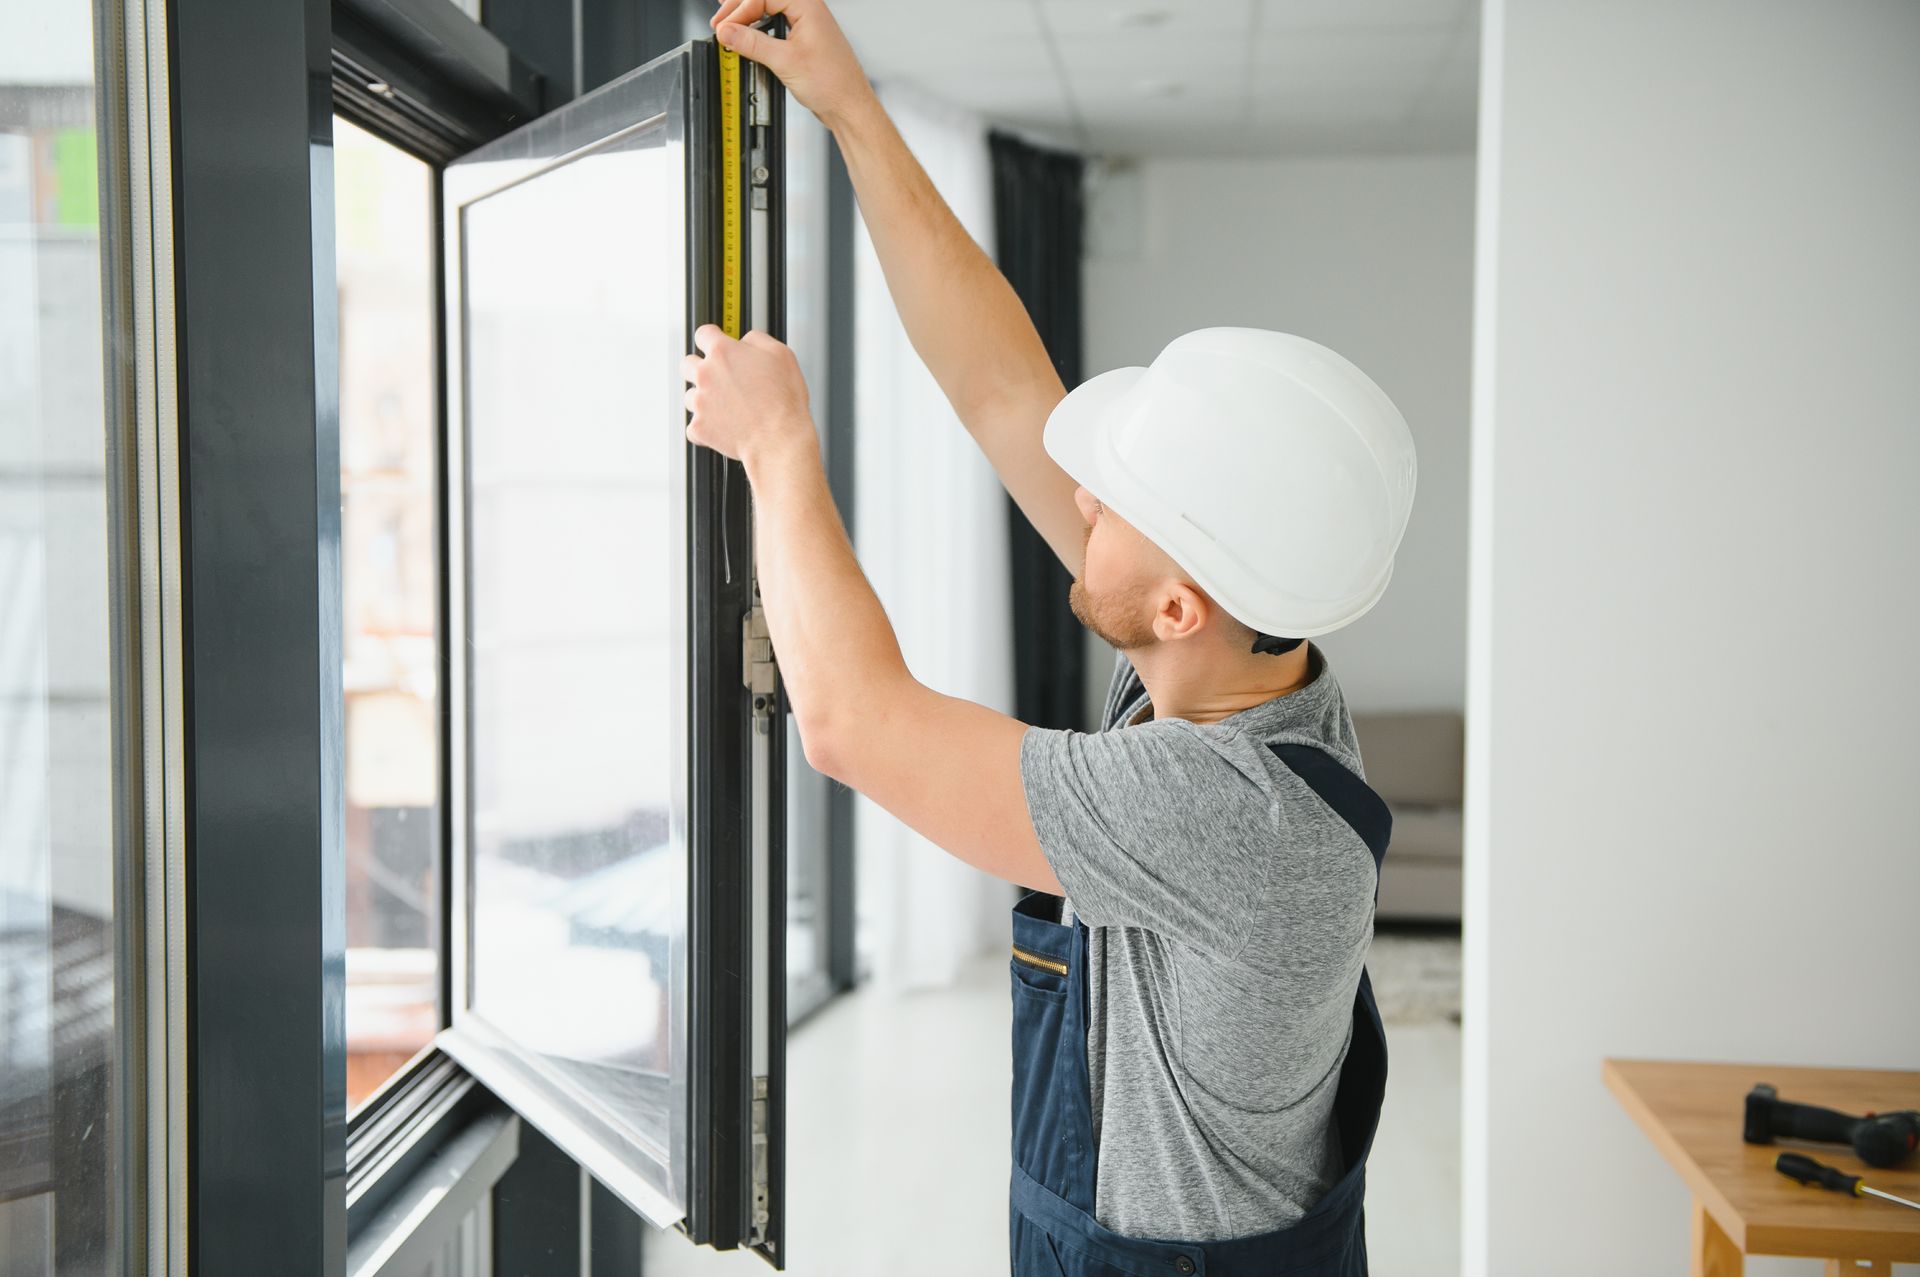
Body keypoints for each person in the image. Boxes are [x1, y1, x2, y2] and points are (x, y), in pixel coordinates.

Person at [684, 1, 1418, 1271]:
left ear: (1182, 605)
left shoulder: (1219, 807)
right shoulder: (1255, 663)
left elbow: (853, 724)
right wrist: (853, 108)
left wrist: (780, 450)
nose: (1079, 495)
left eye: (1113, 502)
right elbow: (1003, 385)